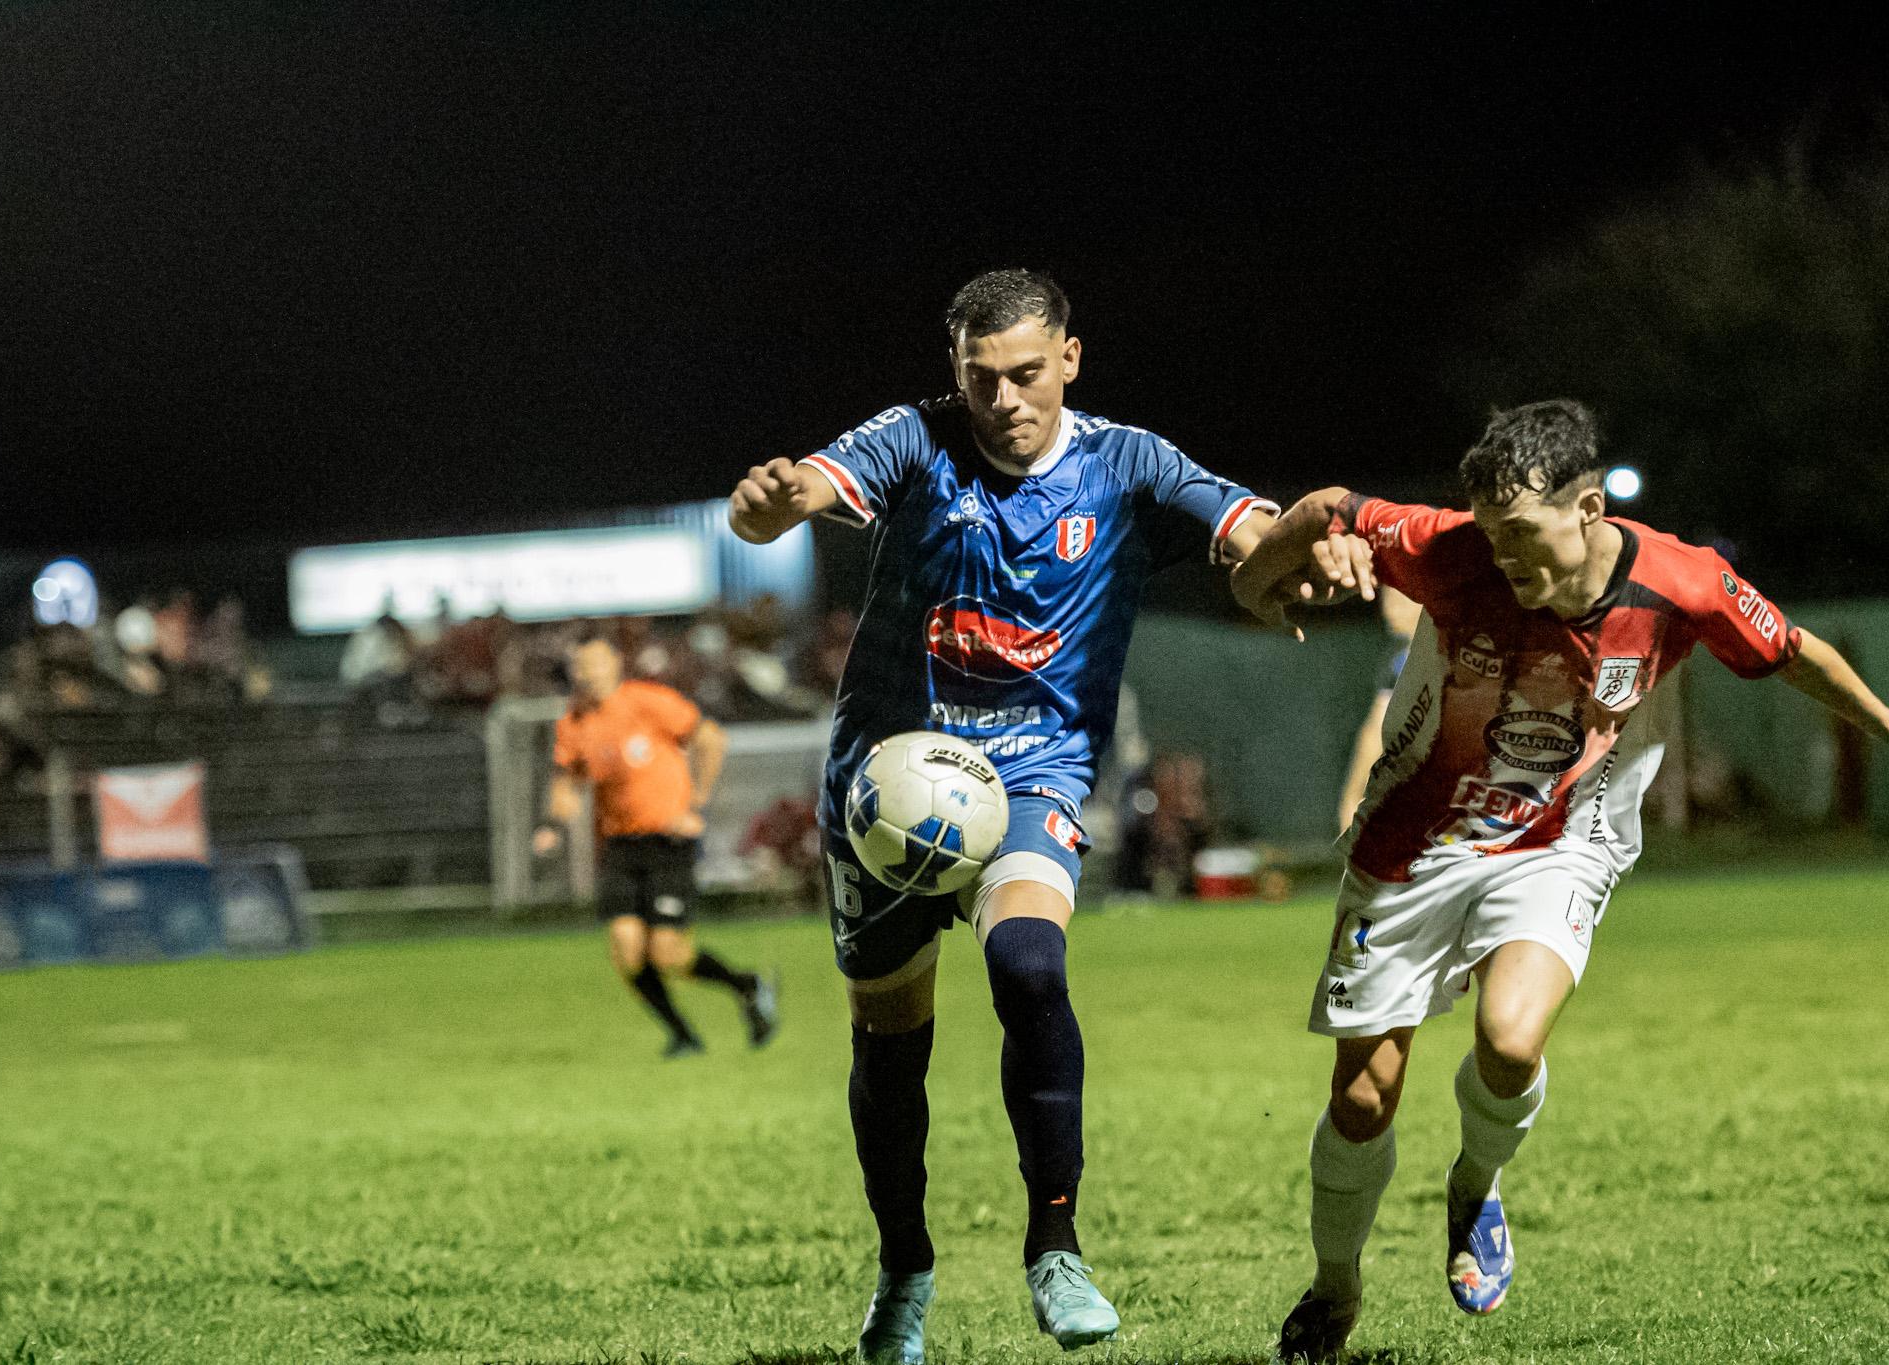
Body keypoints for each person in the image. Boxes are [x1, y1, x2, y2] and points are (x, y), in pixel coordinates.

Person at [1228, 400, 1889, 1361]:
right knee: (1363, 1099)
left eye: (1521, 533)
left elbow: (1790, 648)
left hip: (1560, 839)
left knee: (1511, 1036)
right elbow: (1329, 507)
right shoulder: (1454, 549)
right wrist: (1256, 583)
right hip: (1412, 839)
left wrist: (1888, 721)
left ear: (1587, 506)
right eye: (1489, 531)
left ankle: (1474, 1185)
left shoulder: (1681, 583)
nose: (1502, 554)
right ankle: (1335, 1283)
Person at [728, 268, 1279, 1361]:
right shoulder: (915, 441)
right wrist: (771, 507)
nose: (1005, 399)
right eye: (981, 380)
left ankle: (1054, 1248)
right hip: (887, 787)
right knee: (892, 1049)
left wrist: (1302, 552)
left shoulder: (1126, 463)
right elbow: (813, 488)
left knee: (1028, 964)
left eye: (1027, 373)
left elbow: (1246, 522)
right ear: (955, 375)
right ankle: (904, 1270)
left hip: (1033, 775)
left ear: (1069, 358)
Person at [534, 637, 779, 1058]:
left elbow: (710, 738)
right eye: (579, 665)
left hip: (668, 842)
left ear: (614, 663)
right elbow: (568, 781)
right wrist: (554, 824)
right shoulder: (573, 722)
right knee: (627, 949)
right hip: (620, 846)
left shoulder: (647, 701)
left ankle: (747, 985)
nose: (585, 673)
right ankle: (684, 1035)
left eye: (593, 662)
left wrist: (697, 799)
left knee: (668, 953)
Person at [1336, 586, 1421, 832]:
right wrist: (1352, 800)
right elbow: (1375, 731)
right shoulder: (1398, 661)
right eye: (1387, 597)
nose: (1390, 608)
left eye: (1401, 598)